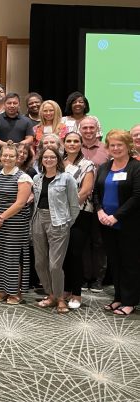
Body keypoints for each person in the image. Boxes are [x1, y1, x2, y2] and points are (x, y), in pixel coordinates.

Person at [93, 129, 140, 317]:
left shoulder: (136, 167)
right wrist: (100, 211)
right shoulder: (105, 167)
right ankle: (118, 298)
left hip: (128, 224)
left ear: (128, 146)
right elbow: (96, 193)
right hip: (106, 223)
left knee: (130, 263)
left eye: (120, 144)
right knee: (115, 262)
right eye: (112, 145)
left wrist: (116, 216)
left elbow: (137, 196)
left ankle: (130, 301)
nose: (116, 148)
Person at [31, 147, 80, 313]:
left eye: (52, 157)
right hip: (38, 220)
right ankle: (50, 294)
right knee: (39, 263)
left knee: (55, 265)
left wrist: (67, 223)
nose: (49, 160)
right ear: (41, 160)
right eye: (46, 157)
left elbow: (74, 205)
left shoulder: (66, 179)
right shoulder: (37, 178)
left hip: (59, 223)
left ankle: (60, 299)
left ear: (58, 160)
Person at [0, 144, 33, 304]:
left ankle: (14, 292)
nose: (7, 158)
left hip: (15, 223)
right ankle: (0, 289)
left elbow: (20, 203)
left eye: (11, 156)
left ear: (17, 158)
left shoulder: (23, 177)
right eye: (5, 155)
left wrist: (2, 217)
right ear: (0, 156)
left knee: (12, 258)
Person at [61, 132, 95, 310]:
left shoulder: (87, 164)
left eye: (76, 141)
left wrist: (68, 209)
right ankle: (66, 289)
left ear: (81, 144)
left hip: (80, 214)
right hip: (59, 215)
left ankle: (76, 294)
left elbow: (85, 190)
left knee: (75, 253)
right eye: (69, 141)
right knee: (63, 254)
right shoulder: (59, 162)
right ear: (63, 143)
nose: (72, 144)